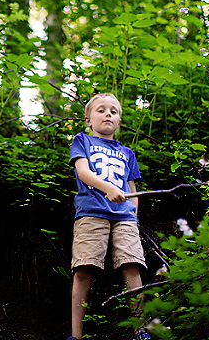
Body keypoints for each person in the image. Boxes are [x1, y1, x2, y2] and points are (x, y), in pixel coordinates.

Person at [68, 93, 150, 340]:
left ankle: (140, 330)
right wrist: (108, 188)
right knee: (83, 269)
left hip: (124, 218)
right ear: (88, 119)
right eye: (101, 110)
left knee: (131, 265)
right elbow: (83, 172)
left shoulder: (127, 152)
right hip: (91, 212)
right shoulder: (82, 140)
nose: (108, 114)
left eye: (113, 112)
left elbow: (132, 189)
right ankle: (76, 335)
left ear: (119, 122)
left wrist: (133, 215)